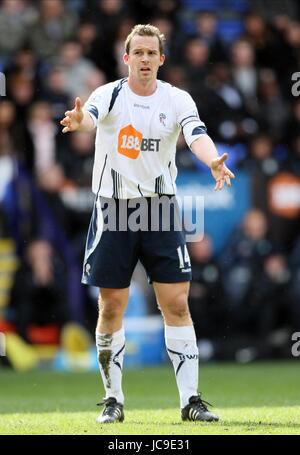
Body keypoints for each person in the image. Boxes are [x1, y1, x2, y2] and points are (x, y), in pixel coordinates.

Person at [60, 24, 234, 424]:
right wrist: (79, 121)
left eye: (150, 53)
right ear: (126, 58)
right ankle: (112, 400)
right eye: (136, 52)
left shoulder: (176, 99)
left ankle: (191, 400)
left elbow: (196, 133)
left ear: (161, 59)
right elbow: (88, 117)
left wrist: (211, 160)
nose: (143, 59)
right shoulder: (110, 93)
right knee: (112, 305)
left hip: (159, 210)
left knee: (175, 303)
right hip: (114, 210)